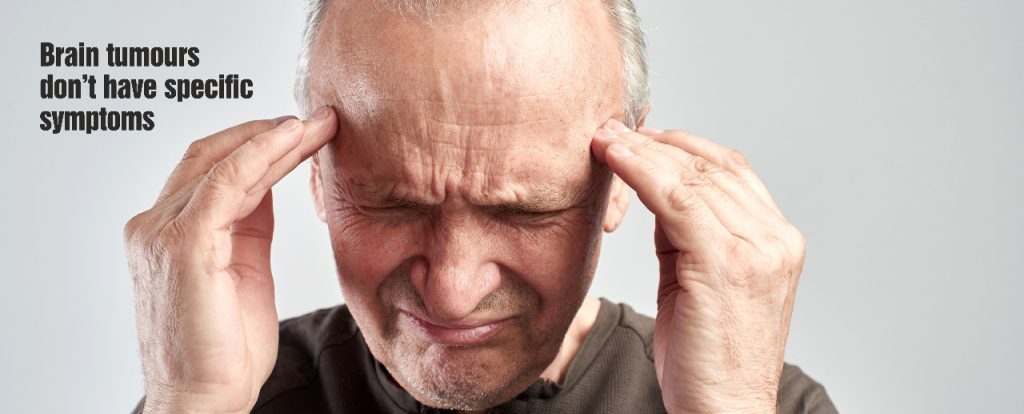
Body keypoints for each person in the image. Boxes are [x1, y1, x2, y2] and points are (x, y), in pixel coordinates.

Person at [124, 1, 837, 413]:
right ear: (313, 174)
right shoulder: (234, 395)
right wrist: (190, 402)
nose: (452, 292)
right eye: (390, 204)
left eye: (525, 213)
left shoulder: (763, 403)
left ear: (622, 182)